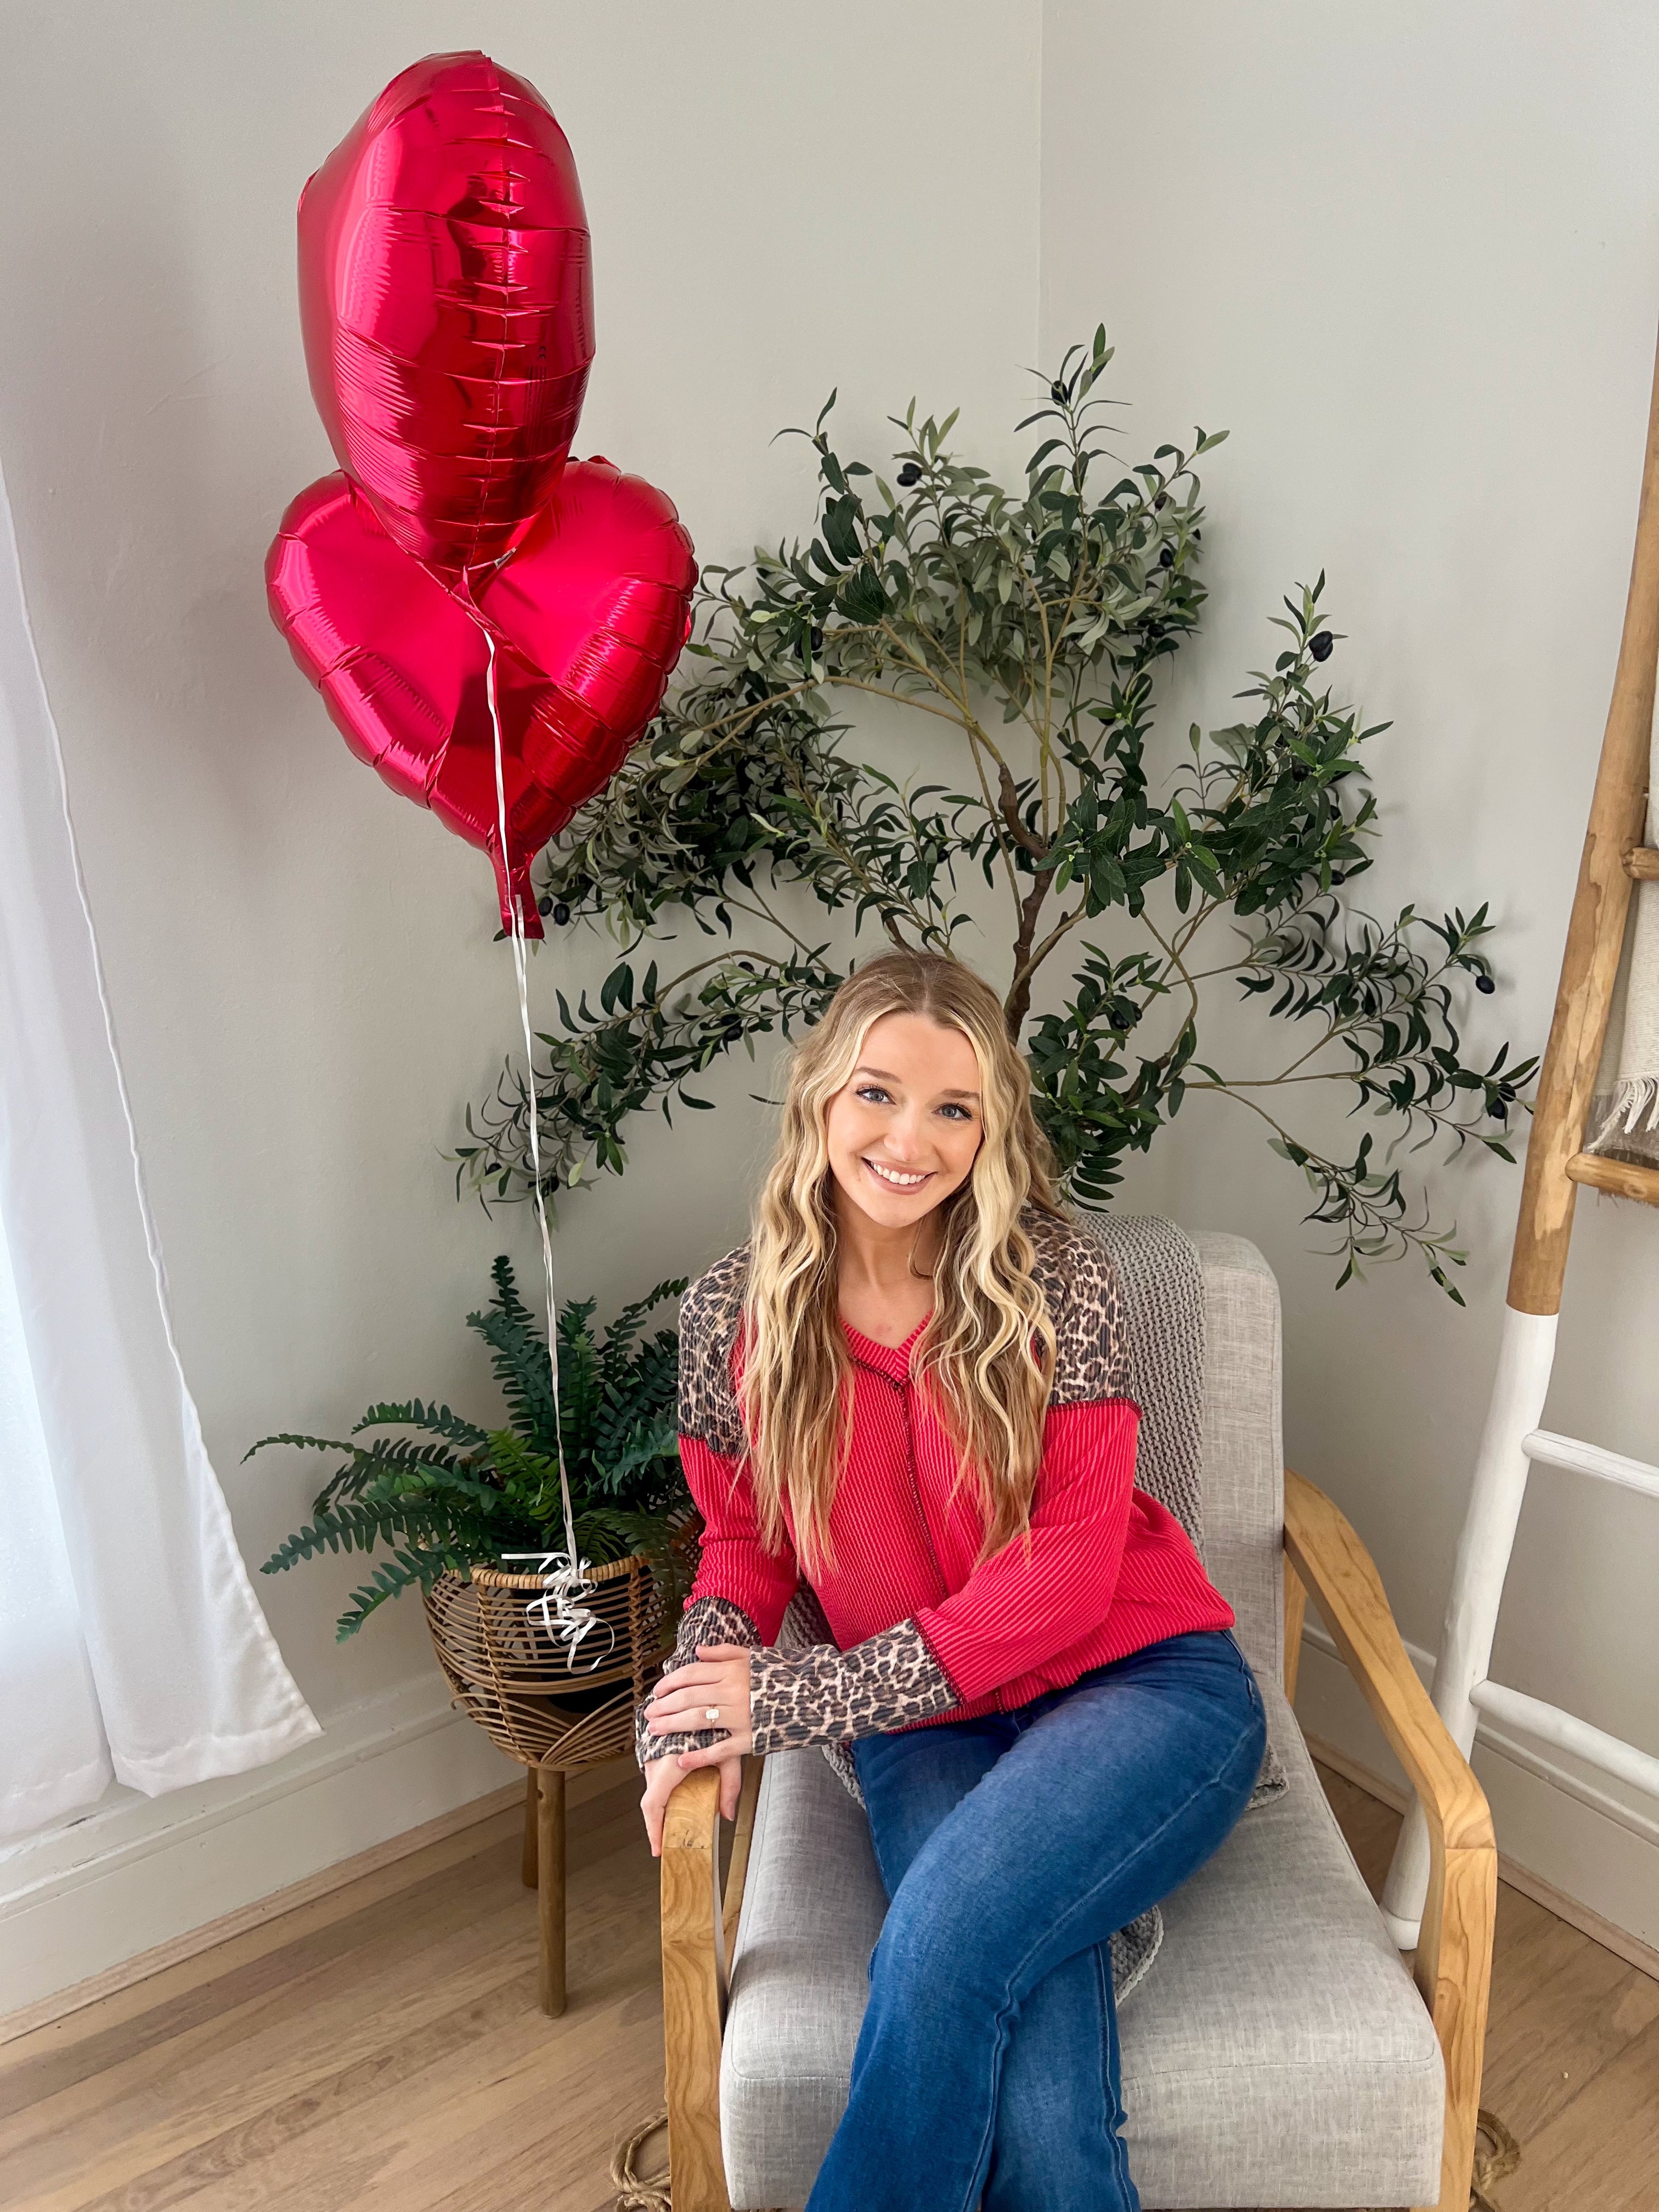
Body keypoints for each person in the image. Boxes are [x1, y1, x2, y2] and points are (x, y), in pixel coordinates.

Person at [634, 948, 1266, 2212]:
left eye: (952, 1108)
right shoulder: (730, 1319)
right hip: (926, 1723)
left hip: (1143, 1687)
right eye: (876, 1093)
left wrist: (796, 1701)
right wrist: (696, 1702)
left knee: (936, 1943)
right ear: (819, 1095)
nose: (908, 1140)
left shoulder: (1055, 1278)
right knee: (1043, 2120)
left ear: (991, 1128)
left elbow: (1070, 1578)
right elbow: (745, 1546)